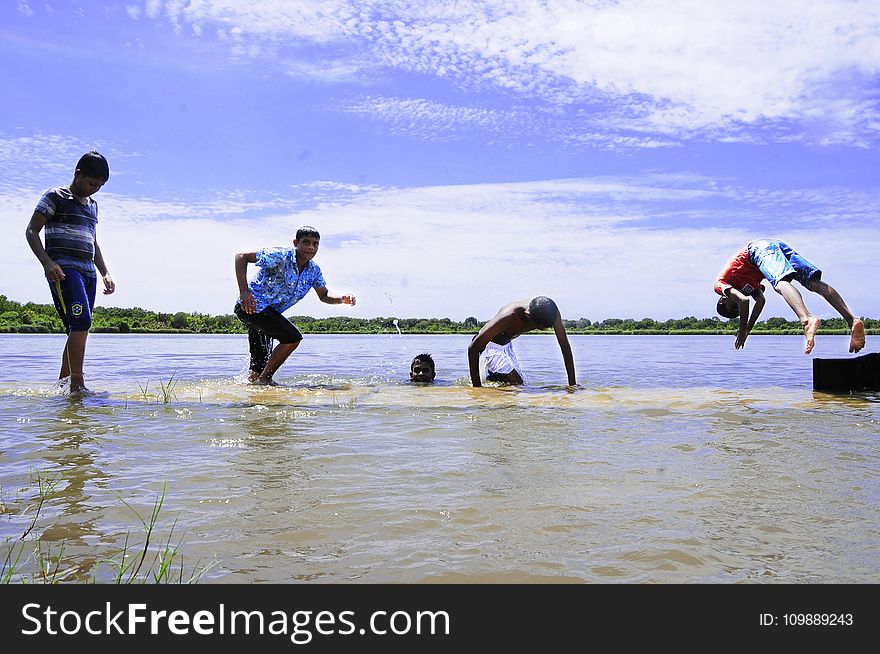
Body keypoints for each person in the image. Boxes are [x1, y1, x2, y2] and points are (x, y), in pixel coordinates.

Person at [25, 151, 115, 396]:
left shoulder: (93, 206)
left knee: (77, 327)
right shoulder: (55, 197)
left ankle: (63, 384)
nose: (94, 189)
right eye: (91, 183)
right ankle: (77, 383)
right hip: (64, 271)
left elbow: (93, 242)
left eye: (100, 186)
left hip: (88, 273)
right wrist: (47, 263)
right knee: (81, 321)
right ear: (78, 174)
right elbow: (32, 231)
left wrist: (105, 272)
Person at [234, 225, 355, 385]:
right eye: (306, 242)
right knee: (292, 337)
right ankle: (266, 379)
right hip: (252, 307)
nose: (311, 247)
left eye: (315, 244)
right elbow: (241, 256)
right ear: (295, 243)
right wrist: (244, 292)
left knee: (258, 368)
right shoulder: (280, 256)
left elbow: (324, 295)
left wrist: (341, 298)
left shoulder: (313, 271)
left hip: (268, 316)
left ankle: (252, 396)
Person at [715, 238, 865, 354]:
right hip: (777, 246)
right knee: (813, 283)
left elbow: (743, 301)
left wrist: (743, 330)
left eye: (732, 304)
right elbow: (760, 300)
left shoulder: (721, 284)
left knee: (780, 282)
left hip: (758, 249)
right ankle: (852, 320)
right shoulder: (747, 288)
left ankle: (806, 319)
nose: (736, 304)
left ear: (723, 299)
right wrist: (748, 328)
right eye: (736, 309)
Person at [468, 296, 576, 387]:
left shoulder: (551, 312)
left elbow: (565, 347)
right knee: (517, 384)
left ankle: (493, 383)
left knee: (521, 385)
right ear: (528, 315)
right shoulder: (510, 315)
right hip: (489, 346)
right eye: (539, 327)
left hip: (507, 346)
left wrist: (572, 386)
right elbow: (473, 347)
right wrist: (477, 389)